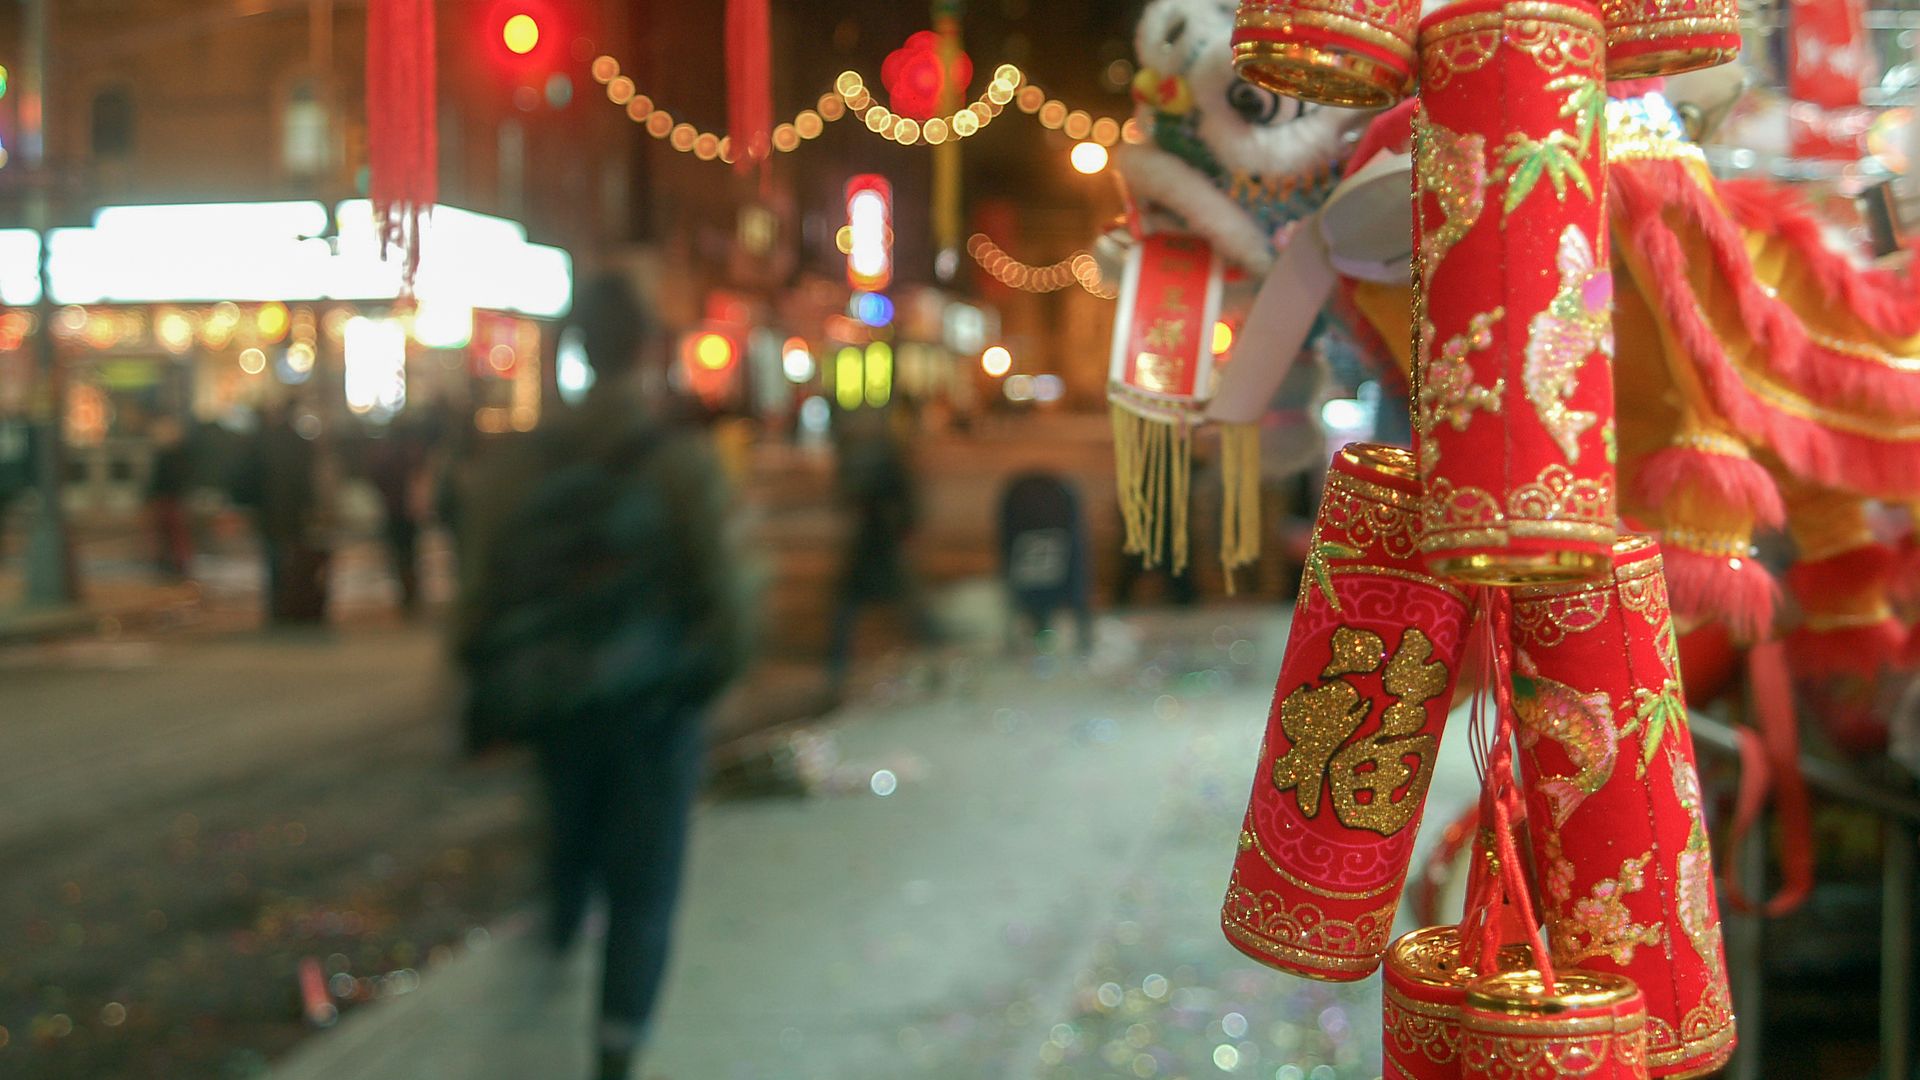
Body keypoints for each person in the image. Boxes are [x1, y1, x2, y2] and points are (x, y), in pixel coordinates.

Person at [454, 274, 754, 1080]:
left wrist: (483, 695)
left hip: (557, 709)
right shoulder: (678, 464)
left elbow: (479, 592)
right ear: (647, 350)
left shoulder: (518, 463)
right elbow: (723, 595)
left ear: (575, 346)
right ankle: (616, 1051)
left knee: (568, 854)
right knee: (644, 893)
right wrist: (710, 678)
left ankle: (546, 977)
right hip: (653, 712)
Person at [825, 408, 938, 690]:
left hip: (877, 546)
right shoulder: (882, 454)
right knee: (906, 608)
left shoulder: (871, 456)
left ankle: (835, 675)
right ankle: (935, 659)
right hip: (880, 546)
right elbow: (905, 500)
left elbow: (850, 497)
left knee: (856, 609)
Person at [145, 417, 194, 579]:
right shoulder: (177, 454)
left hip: (169, 500)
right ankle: (174, 563)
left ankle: (175, 563)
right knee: (171, 534)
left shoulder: (170, 455)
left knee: (173, 534)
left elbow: (161, 479)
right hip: (170, 499)